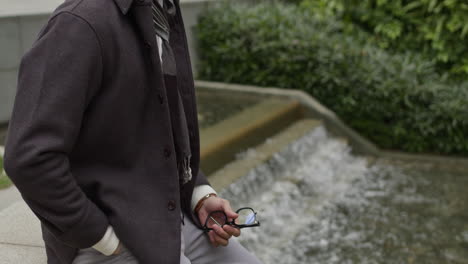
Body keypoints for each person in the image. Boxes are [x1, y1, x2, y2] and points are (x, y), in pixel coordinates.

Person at [3, 0, 262, 263]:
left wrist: (198, 194)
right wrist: (102, 237)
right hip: (113, 237)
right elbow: (28, 158)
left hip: (169, 219)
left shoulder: (160, 8)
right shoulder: (78, 23)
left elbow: (160, 127)